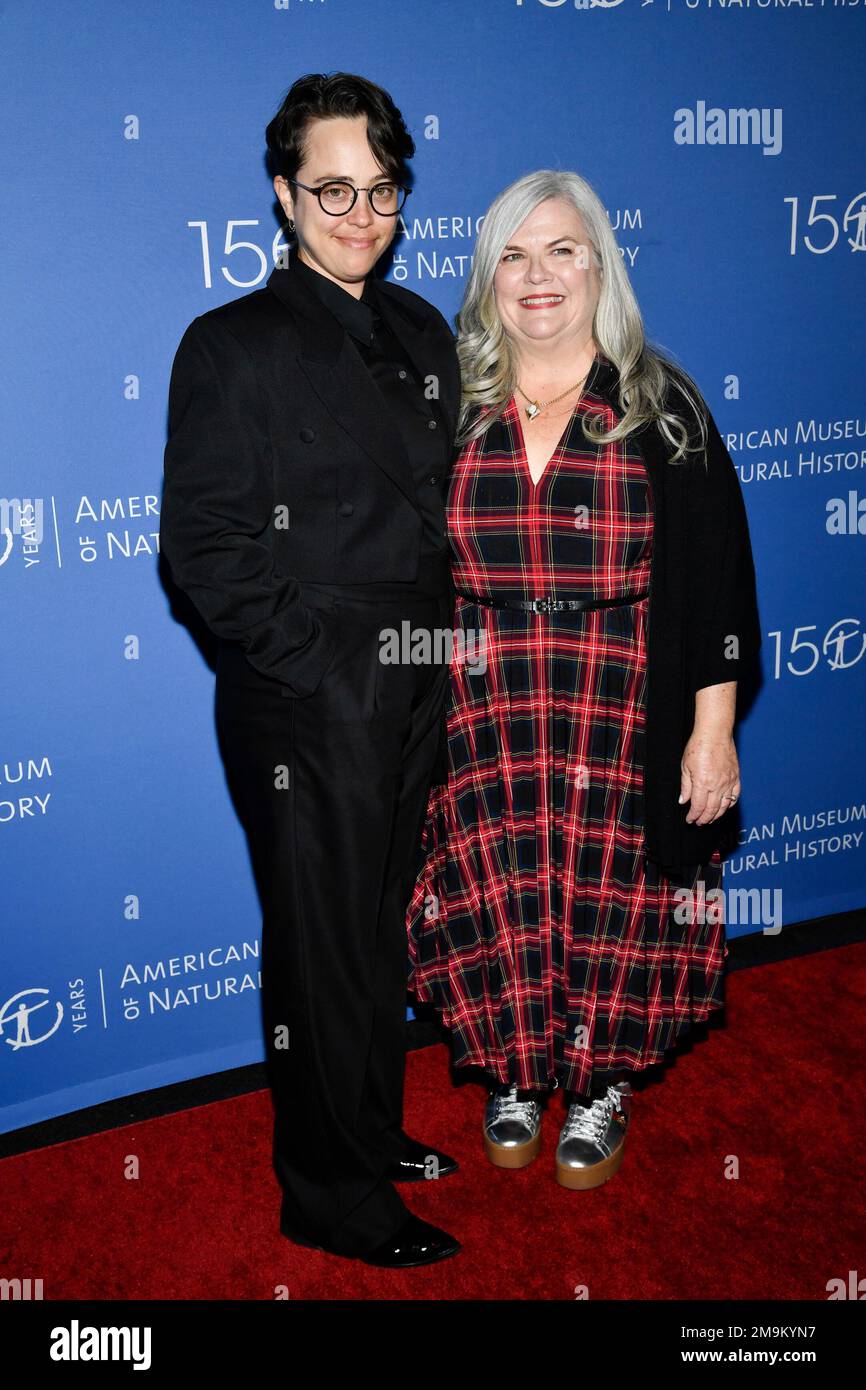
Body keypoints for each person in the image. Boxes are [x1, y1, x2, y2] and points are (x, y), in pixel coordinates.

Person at [406, 169, 762, 1191]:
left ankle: (600, 1078)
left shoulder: (662, 406)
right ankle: (516, 1071)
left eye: (561, 249)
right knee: (500, 893)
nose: (537, 274)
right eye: (512, 254)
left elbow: (719, 587)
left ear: (599, 265)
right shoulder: (451, 410)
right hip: (485, 709)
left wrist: (710, 731)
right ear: (486, 280)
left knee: (617, 899)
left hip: (624, 703)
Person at [161, 72, 462, 1266]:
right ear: (283, 196)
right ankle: (325, 1193)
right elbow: (203, 544)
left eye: (378, 188)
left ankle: (370, 1126)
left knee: (380, 926)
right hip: (309, 689)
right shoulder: (230, 343)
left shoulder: (428, 329)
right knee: (319, 940)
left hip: (422, 665)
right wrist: (316, 666)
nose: (357, 211)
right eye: (329, 187)